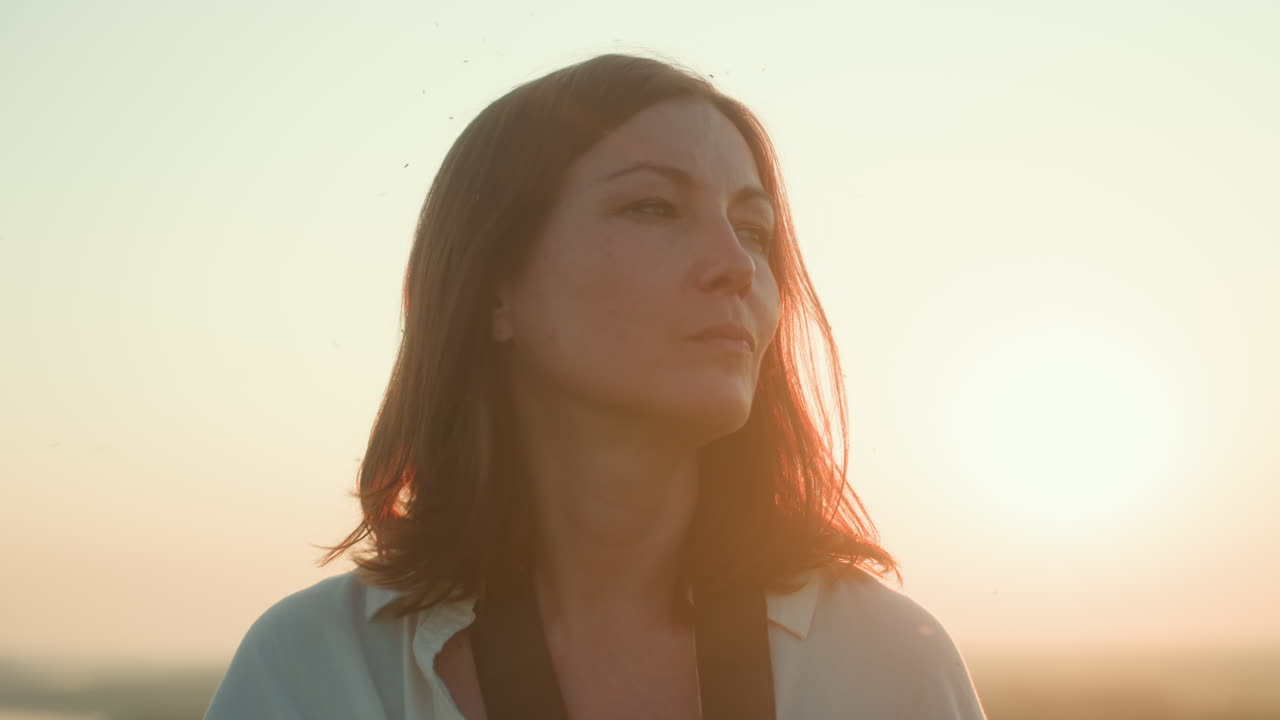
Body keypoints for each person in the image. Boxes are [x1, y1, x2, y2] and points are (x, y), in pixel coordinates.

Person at [204, 53, 987, 720]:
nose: (738, 266)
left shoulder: (884, 666)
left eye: (753, 229)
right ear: (495, 286)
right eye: (654, 206)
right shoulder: (320, 671)